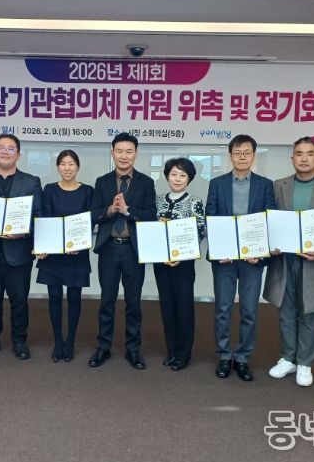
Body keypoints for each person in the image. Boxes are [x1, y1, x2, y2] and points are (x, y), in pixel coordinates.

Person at [263, 137, 314, 387]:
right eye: (299, 153)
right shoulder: (278, 185)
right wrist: (270, 244)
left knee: (308, 313)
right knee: (286, 311)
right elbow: (269, 221)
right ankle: (288, 358)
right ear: (292, 158)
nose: (304, 158)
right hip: (284, 261)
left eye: (310, 154)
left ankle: (305, 362)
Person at [206, 134, 276, 381]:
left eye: (247, 152)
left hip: (251, 259)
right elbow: (211, 217)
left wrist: (260, 251)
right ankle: (224, 355)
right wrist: (219, 249)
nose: (242, 157)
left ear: (253, 155)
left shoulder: (265, 185)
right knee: (223, 309)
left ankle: (243, 357)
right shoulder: (217, 183)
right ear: (231, 156)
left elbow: (269, 219)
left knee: (249, 310)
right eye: (237, 153)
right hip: (224, 259)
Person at [0, 134, 43, 361]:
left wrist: (24, 231)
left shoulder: (31, 181)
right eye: (1, 147)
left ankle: (19, 340)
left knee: (19, 300)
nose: (5, 151)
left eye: (10, 148)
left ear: (18, 154)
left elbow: (38, 215)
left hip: (18, 252)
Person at [89, 133, 156, 370]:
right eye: (119, 151)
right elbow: (94, 213)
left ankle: (133, 349)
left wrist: (128, 211)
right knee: (106, 301)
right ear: (112, 152)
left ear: (136, 153)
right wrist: (110, 210)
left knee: (133, 303)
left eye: (129, 151)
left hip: (133, 250)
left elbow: (151, 215)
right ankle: (103, 347)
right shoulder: (102, 181)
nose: (124, 156)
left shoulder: (146, 183)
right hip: (108, 249)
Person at [36, 150, 94, 362]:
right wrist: (43, 245)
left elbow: (90, 221)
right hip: (53, 254)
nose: (67, 168)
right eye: (63, 164)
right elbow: (44, 218)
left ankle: (70, 341)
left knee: (74, 297)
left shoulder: (88, 191)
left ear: (78, 167)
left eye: (71, 164)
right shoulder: (49, 189)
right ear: (57, 167)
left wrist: (79, 243)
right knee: (54, 297)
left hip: (76, 253)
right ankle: (58, 341)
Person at [154, 158, 206, 371]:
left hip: (183, 265)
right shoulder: (158, 200)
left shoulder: (194, 201)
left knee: (183, 308)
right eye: (174, 174)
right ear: (167, 176)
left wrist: (181, 256)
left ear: (189, 179)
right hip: (161, 263)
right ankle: (172, 351)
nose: (177, 179)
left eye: (183, 175)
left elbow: (200, 231)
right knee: (167, 308)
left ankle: (183, 354)